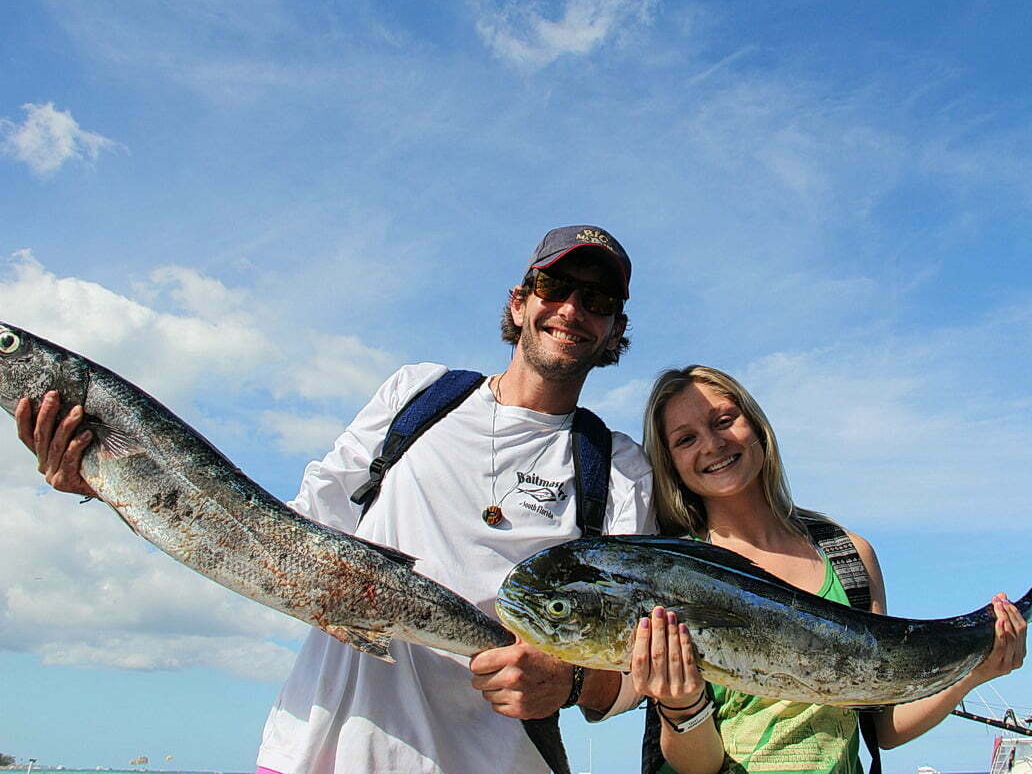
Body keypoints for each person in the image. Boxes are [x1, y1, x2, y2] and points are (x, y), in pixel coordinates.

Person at [15, 225, 656, 774]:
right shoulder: (418, 394)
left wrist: (569, 681)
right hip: (319, 747)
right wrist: (108, 480)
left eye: (597, 300)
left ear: (614, 331)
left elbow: (638, 664)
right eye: (553, 286)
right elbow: (280, 539)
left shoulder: (620, 468)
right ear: (519, 302)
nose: (572, 309)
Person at [631, 365, 1028, 774]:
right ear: (670, 463)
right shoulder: (672, 571)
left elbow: (883, 724)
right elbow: (699, 766)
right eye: (686, 439)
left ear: (756, 426)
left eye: (724, 420)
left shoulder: (850, 556)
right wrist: (680, 705)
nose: (713, 444)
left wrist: (976, 671)